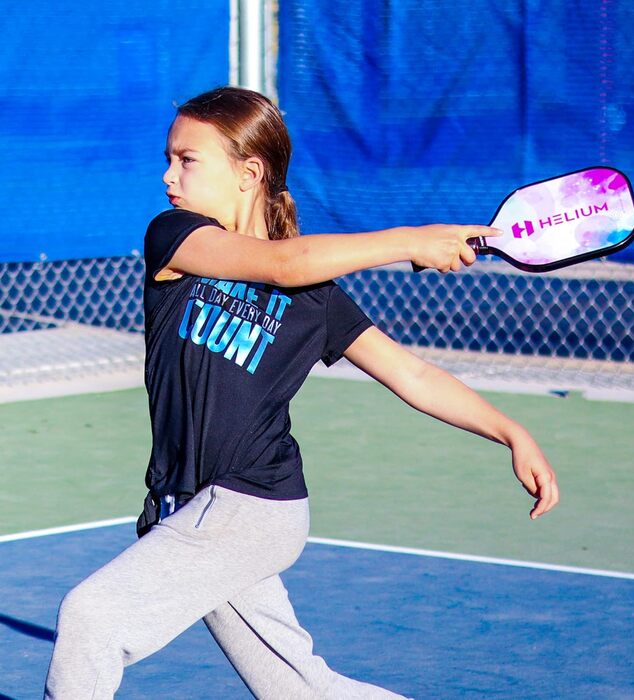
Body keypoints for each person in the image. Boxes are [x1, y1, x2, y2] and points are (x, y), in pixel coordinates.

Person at [44, 86, 559, 699]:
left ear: (249, 172)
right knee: (300, 690)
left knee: (91, 616)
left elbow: (412, 374)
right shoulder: (176, 240)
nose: (168, 176)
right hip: (188, 506)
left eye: (188, 160)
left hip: (253, 505)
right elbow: (285, 264)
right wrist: (413, 239)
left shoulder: (315, 299)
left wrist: (511, 431)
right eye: (170, 157)